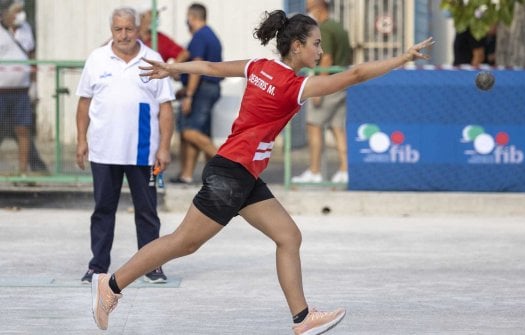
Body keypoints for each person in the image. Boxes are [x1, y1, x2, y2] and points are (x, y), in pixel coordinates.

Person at [90, 9, 433, 334]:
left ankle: (302, 319)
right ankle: (112, 284)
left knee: (288, 236)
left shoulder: (259, 66)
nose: (320, 50)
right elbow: (354, 75)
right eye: (315, 44)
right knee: (183, 242)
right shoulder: (293, 86)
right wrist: (401, 59)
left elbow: (210, 66)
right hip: (231, 174)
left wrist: (173, 67)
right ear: (297, 46)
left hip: (241, 173)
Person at [75, 7, 175, 285]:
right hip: (103, 150)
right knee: (103, 210)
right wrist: (81, 140)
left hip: (142, 152)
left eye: (129, 29)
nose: (124, 35)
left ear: (138, 30)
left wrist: (164, 147)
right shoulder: (97, 59)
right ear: (111, 31)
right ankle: (97, 267)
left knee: (147, 211)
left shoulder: (153, 59)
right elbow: (84, 103)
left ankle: (152, 266)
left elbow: (166, 108)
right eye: (118, 29)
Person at [292, 0, 351, 184]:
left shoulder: (324, 28)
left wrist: (318, 90)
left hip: (327, 85)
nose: (310, 13)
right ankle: (345, 170)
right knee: (338, 129)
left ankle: (315, 171)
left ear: (320, 6)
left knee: (313, 126)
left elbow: (326, 58)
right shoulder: (339, 27)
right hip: (341, 84)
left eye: (310, 9)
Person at [171, 3, 221, 185]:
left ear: (192, 17)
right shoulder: (207, 35)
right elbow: (187, 55)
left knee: (190, 132)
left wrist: (190, 94)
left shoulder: (201, 36)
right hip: (205, 88)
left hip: (202, 89)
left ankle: (229, 166)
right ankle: (187, 174)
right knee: (197, 131)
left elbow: (197, 68)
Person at [0, 0, 33, 175]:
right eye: (17, 11)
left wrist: (33, 85)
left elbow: (31, 55)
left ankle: (23, 171)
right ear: (6, 13)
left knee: (23, 129)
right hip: (1, 91)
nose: (21, 14)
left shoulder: (26, 28)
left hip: (21, 90)